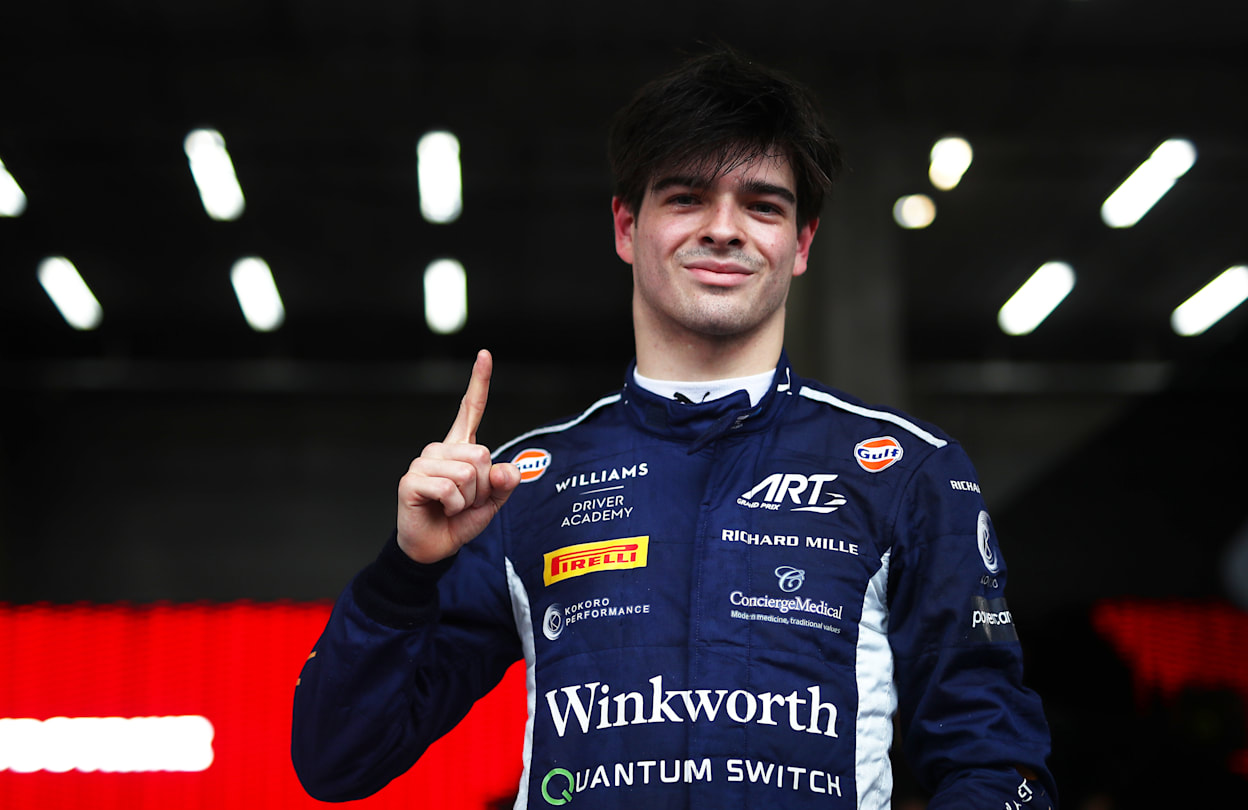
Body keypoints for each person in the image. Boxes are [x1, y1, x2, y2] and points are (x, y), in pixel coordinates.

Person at [292, 48, 1055, 809]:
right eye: (687, 197)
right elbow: (336, 760)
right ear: (627, 226)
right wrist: (405, 573)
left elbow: (996, 766)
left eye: (763, 205)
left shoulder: (907, 474)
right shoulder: (521, 485)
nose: (725, 230)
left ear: (803, 244)